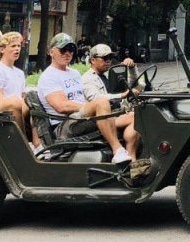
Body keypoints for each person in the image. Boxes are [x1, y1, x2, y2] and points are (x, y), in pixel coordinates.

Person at [37, 33, 132, 164]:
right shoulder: (49, 76)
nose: (67, 53)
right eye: (63, 49)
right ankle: (117, 150)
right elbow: (61, 106)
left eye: (71, 50)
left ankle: (133, 162)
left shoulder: (74, 73)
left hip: (82, 119)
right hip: (64, 125)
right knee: (101, 103)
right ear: (51, 52)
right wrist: (90, 107)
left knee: (134, 116)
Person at [81, 44, 141, 161]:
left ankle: (130, 159)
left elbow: (133, 84)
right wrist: (121, 95)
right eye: (104, 58)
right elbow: (96, 98)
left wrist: (132, 68)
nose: (108, 61)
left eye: (110, 58)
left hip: (114, 113)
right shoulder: (87, 79)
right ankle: (128, 156)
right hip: (99, 118)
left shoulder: (109, 75)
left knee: (138, 114)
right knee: (135, 117)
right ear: (93, 60)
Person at [0, 31, 40, 149]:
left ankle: (38, 143)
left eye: (19, 46)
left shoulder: (19, 73)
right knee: (18, 102)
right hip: (3, 110)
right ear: (2, 49)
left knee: (36, 102)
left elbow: (22, 95)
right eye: (13, 46)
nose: (17, 49)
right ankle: (24, 143)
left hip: (19, 107)